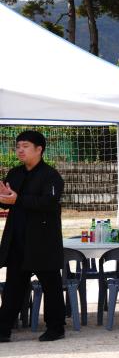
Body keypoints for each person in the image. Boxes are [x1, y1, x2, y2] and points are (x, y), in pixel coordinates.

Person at [0, 131, 65, 342]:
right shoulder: (14, 174)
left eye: (25, 146)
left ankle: (56, 328)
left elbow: (48, 203)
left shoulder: (51, 176)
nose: (20, 150)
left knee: (51, 286)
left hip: (43, 241)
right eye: (18, 146)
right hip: (18, 240)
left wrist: (17, 200)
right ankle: (3, 330)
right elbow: (8, 202)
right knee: (12, 288)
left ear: (39, 149)